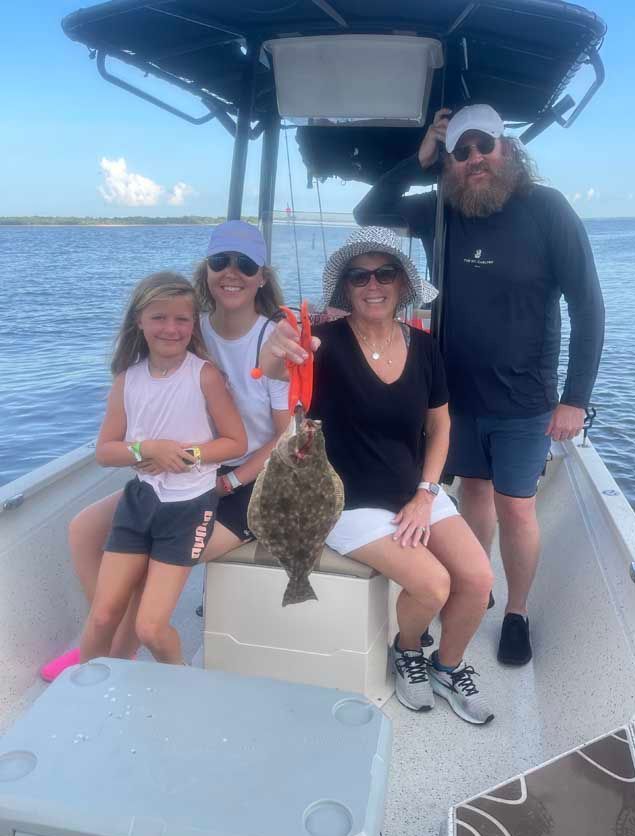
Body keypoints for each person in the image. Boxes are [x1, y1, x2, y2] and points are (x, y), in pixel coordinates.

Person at [354, 104, 605, 666]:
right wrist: (418, 157)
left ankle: (515, 611)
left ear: (506, 150)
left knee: (516, 507)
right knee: (472, 492)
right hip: (454, 396)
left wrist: (576, 398)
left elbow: (588, 307)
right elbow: (368, 211)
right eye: (461, 152)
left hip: (524, 400)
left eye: (483, 148)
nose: (474, 160)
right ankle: (479, 584)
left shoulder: (546, 209)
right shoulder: (441, 208)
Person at [260, 226, 494, 725]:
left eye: (385, 273)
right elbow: (278, 368)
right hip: (345, 499)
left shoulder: (427, 348)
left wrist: (427, 494)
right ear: (346, 288)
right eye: (359, 275)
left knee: (475, 579)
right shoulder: (322, 342)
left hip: (414, 488)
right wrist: (278, 343)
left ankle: (447, 666)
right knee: (432, 585)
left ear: (402, 285)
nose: (373, 284)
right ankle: (407, 649)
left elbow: (440, 424)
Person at [40, 222, 290, 679]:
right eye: (220, 262)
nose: (231, 272)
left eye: (245, 264)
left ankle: (118, 648)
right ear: (207, 270)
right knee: (82, 529)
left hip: (251, 477)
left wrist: (229, 478)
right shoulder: (193, 328)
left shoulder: (273, 339)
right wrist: (152, 450)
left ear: (261, 277)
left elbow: (286, 436)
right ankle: (111, 640)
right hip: (182, 469)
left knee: (152, 564)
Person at [79, 271, 247, 665]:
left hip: (189, 508)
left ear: (194, 324)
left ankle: (182, 685)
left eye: (181, 319)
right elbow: (105, 451)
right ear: (139, 320)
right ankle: (80, 697)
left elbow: (234, 442)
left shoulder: (204, 375)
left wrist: (188, 454)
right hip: (139, 502)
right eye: (158, 317)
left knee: (150, 628)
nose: (170, 328)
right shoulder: (127, 380)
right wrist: (147, 448)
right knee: (103, 614)